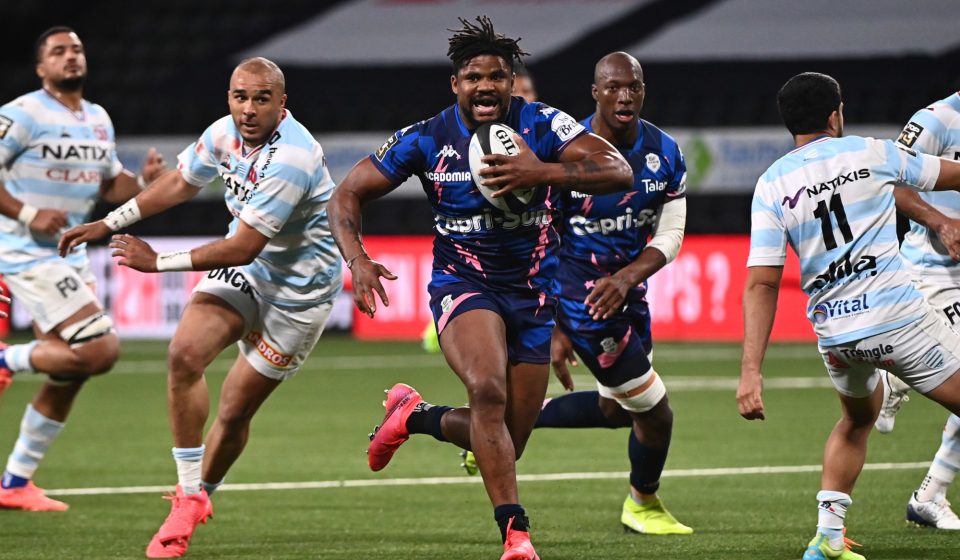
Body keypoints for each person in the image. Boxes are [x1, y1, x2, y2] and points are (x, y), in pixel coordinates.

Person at [328, 15, 631, 560]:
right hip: (463, 285)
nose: (485, 86)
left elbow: (618, 170)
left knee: (508, 439)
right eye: (473, 77)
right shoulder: (427, 137)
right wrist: (358, 259)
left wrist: (539, 173)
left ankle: (413, 416)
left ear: (512, 82)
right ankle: (516, 536)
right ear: (456, 85)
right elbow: (346, 194)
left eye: (496, 76)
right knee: (486, 393)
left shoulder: (542, 125)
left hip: (535, 295)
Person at [59, 57, 341, 558]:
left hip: (299, 293)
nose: (248, 109)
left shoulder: (293, 157)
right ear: (229, 97)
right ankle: (188, 498)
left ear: (283, 102)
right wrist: (108, 223)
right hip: (248, 276)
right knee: (184, 355)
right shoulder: (223, 133)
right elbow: (179, 183)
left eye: (261, 98)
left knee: (233, 412)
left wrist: (157, 261)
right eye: (239, 97)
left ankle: (203, 491)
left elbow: (243, 246)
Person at [460, 52, 692, 536]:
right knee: (656, 413)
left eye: (633, 87)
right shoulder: (564, 151)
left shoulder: (665, 152)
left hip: (626, 293)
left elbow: (670, 234)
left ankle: (516, 419)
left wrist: (628, 277)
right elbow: (540, 236)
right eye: (613, 87)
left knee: (614, 409)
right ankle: (642, 504)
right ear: (596, 92)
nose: (624, 96)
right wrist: (558, 323)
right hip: (581, 302)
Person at [739, 72, 960, 560]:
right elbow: (950, 175)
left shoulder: (772, 184)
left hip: (837, 336)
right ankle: (926, 494)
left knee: (855, 421)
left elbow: (762, 282)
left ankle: (827, 540)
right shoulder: (871, 152)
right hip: (899, 322)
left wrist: (751, 372)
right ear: (835, 114)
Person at [0, 26, 166, 512]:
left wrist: (144, 182)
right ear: (41, 68)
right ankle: (6, 360)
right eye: (58, 51)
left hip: (69, 252)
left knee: (71, 369)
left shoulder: (97, 118)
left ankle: (14, 483)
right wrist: (30, 215)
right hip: (26, 251)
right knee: (101, 350)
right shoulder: (23, 113)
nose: (70, 57)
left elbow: (112, 184)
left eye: (76, 49)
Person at [869, 91, 960, 529]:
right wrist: (940, 221)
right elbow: (893, 182)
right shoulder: (937, 119)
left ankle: (931, 495)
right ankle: (897, 366)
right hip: (934, 273)